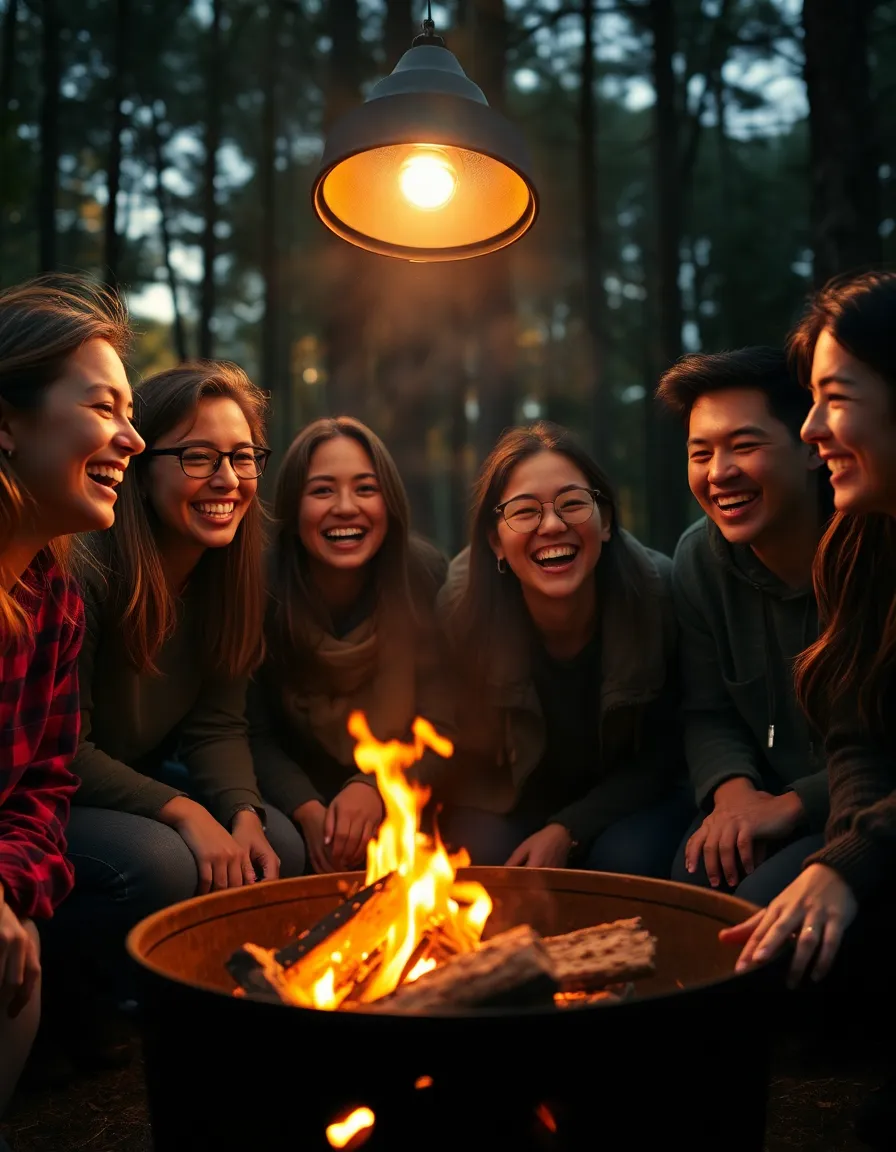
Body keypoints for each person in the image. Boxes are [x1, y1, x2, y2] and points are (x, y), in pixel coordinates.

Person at [56, 362, 305, 996]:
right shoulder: (86, 569)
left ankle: (215, 996)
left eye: (243, 458)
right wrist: (186, 811)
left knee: (277, 845)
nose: (227, 480)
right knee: (162, 860)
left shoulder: (229, 576)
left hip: (135, 779)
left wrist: (241, 811)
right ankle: (85, 1000)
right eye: (198, 457)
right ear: (141, 469)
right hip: (54, 794)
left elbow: (217, 724)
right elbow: (65, 750)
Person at [722, 273, 896, 1146]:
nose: (812, 428)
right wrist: (850, 854)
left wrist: (851, 857)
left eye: (835, 399)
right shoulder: (861, 544)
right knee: (764, 948)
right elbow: (857, 734)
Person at [0, 275, 143, 1118]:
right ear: (7, 424)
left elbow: (42, 793)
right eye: (103, 407)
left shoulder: (54, 599)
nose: (133, 436)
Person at [435, 420, 692, 874]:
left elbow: (667, 753)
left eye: (573, 504)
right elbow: (452, 748)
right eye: (525, 511)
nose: (552, 526)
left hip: (628, 799)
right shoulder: (463, 605)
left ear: (606, 520)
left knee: (626, 861)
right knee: (482, 862)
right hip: (507, 801)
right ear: (496, 539)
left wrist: (569, 828)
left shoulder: (658, 594)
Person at [656, 348, 834, 906]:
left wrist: (791, 806)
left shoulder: (867, 544)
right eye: (700, 453)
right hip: (757, 795)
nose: (719, 473)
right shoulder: (700, 560)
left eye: (745, 445)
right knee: (690, 888)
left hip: (858, 805)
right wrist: (733, 796)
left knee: (752, 906)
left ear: (811, 447)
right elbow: (707, 709)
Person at [249, 417, 447, 874]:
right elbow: (246, 728)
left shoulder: (423, 574)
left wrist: (375, 788)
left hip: (399, 784)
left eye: (365, 489)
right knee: (281, 848)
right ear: (294, 507)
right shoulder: (260, 585)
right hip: (289, 794)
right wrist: (305, 806)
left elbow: (445, 718)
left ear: (390, 501)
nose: (345, 507)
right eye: (321, 491)